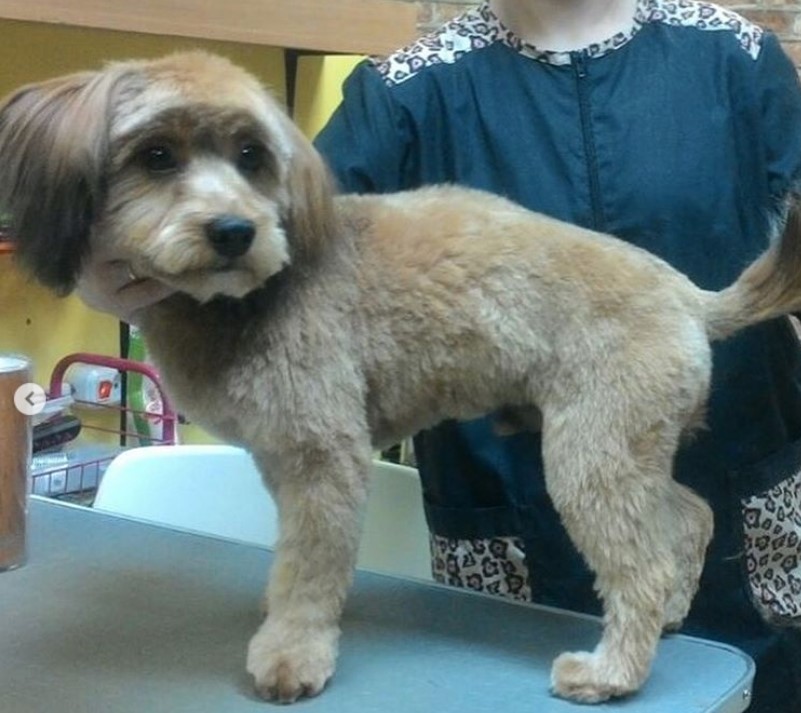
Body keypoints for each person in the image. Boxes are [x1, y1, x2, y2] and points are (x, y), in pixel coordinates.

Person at [80, 1, 801, 709]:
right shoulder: (405, 88)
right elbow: (278, 233)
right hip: (499, 547)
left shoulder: (732, 54)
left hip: (738, 484)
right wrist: (116, 273)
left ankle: (640, 616)